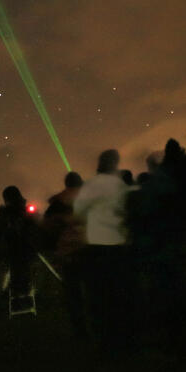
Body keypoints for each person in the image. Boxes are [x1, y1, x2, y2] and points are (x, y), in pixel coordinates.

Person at [74, 149, 131, 351]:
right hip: (117, 245)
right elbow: (126, 211)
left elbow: (78, 209)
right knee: (118, 294)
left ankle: (104, 341)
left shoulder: (91, 184)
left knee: (99, 296)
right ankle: (122, 337)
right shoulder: (120, 185)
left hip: (97, 246)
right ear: (115, 164)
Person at [42, 172, 88, 338]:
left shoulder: (57, 204)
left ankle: (80, 329)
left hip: (68, 252)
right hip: (90, 249)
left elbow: (48, 228)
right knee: (92, 289)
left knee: (73, 292)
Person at [0, 186, 38, 313]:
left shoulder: (8, 213)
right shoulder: (21, 210)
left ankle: (11, 297)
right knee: (24, 275)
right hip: (25, 249)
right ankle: (25, 299)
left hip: (15, 250)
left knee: (14, 275)